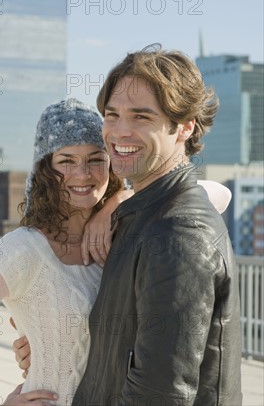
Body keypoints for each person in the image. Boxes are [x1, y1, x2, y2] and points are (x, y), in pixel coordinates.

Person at [71, 45, 242, 405]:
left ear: (184, 127)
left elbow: (159, 393)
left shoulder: (178, 232)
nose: (119, 132)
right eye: (112, 114)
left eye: (142, 117)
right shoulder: (146, 215)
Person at [0, 98, 127, 406]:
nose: (83, 174)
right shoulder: (23, 249)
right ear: (45, 169)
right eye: (66, 161)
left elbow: (209, 196)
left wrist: (120, 200)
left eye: (95, 159)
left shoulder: (122, 237)